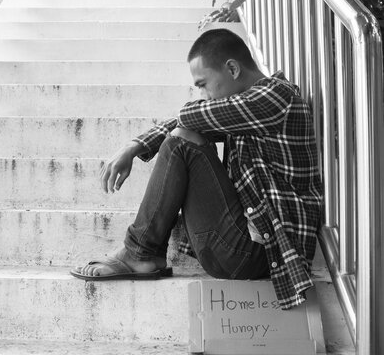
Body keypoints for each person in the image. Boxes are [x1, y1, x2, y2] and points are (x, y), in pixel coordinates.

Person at [70, 28, 322, 309]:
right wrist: (135, 145)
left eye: (203, 84)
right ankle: (143, 253)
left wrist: (138, 146)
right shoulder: (244, 108)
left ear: (232, 68)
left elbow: (192, 116)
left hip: (264, 253)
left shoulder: (275, 98)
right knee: (183, 137)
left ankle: (140, 252)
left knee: (181, 142)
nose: (202, 93)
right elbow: (194, 119)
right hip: (237, 248)